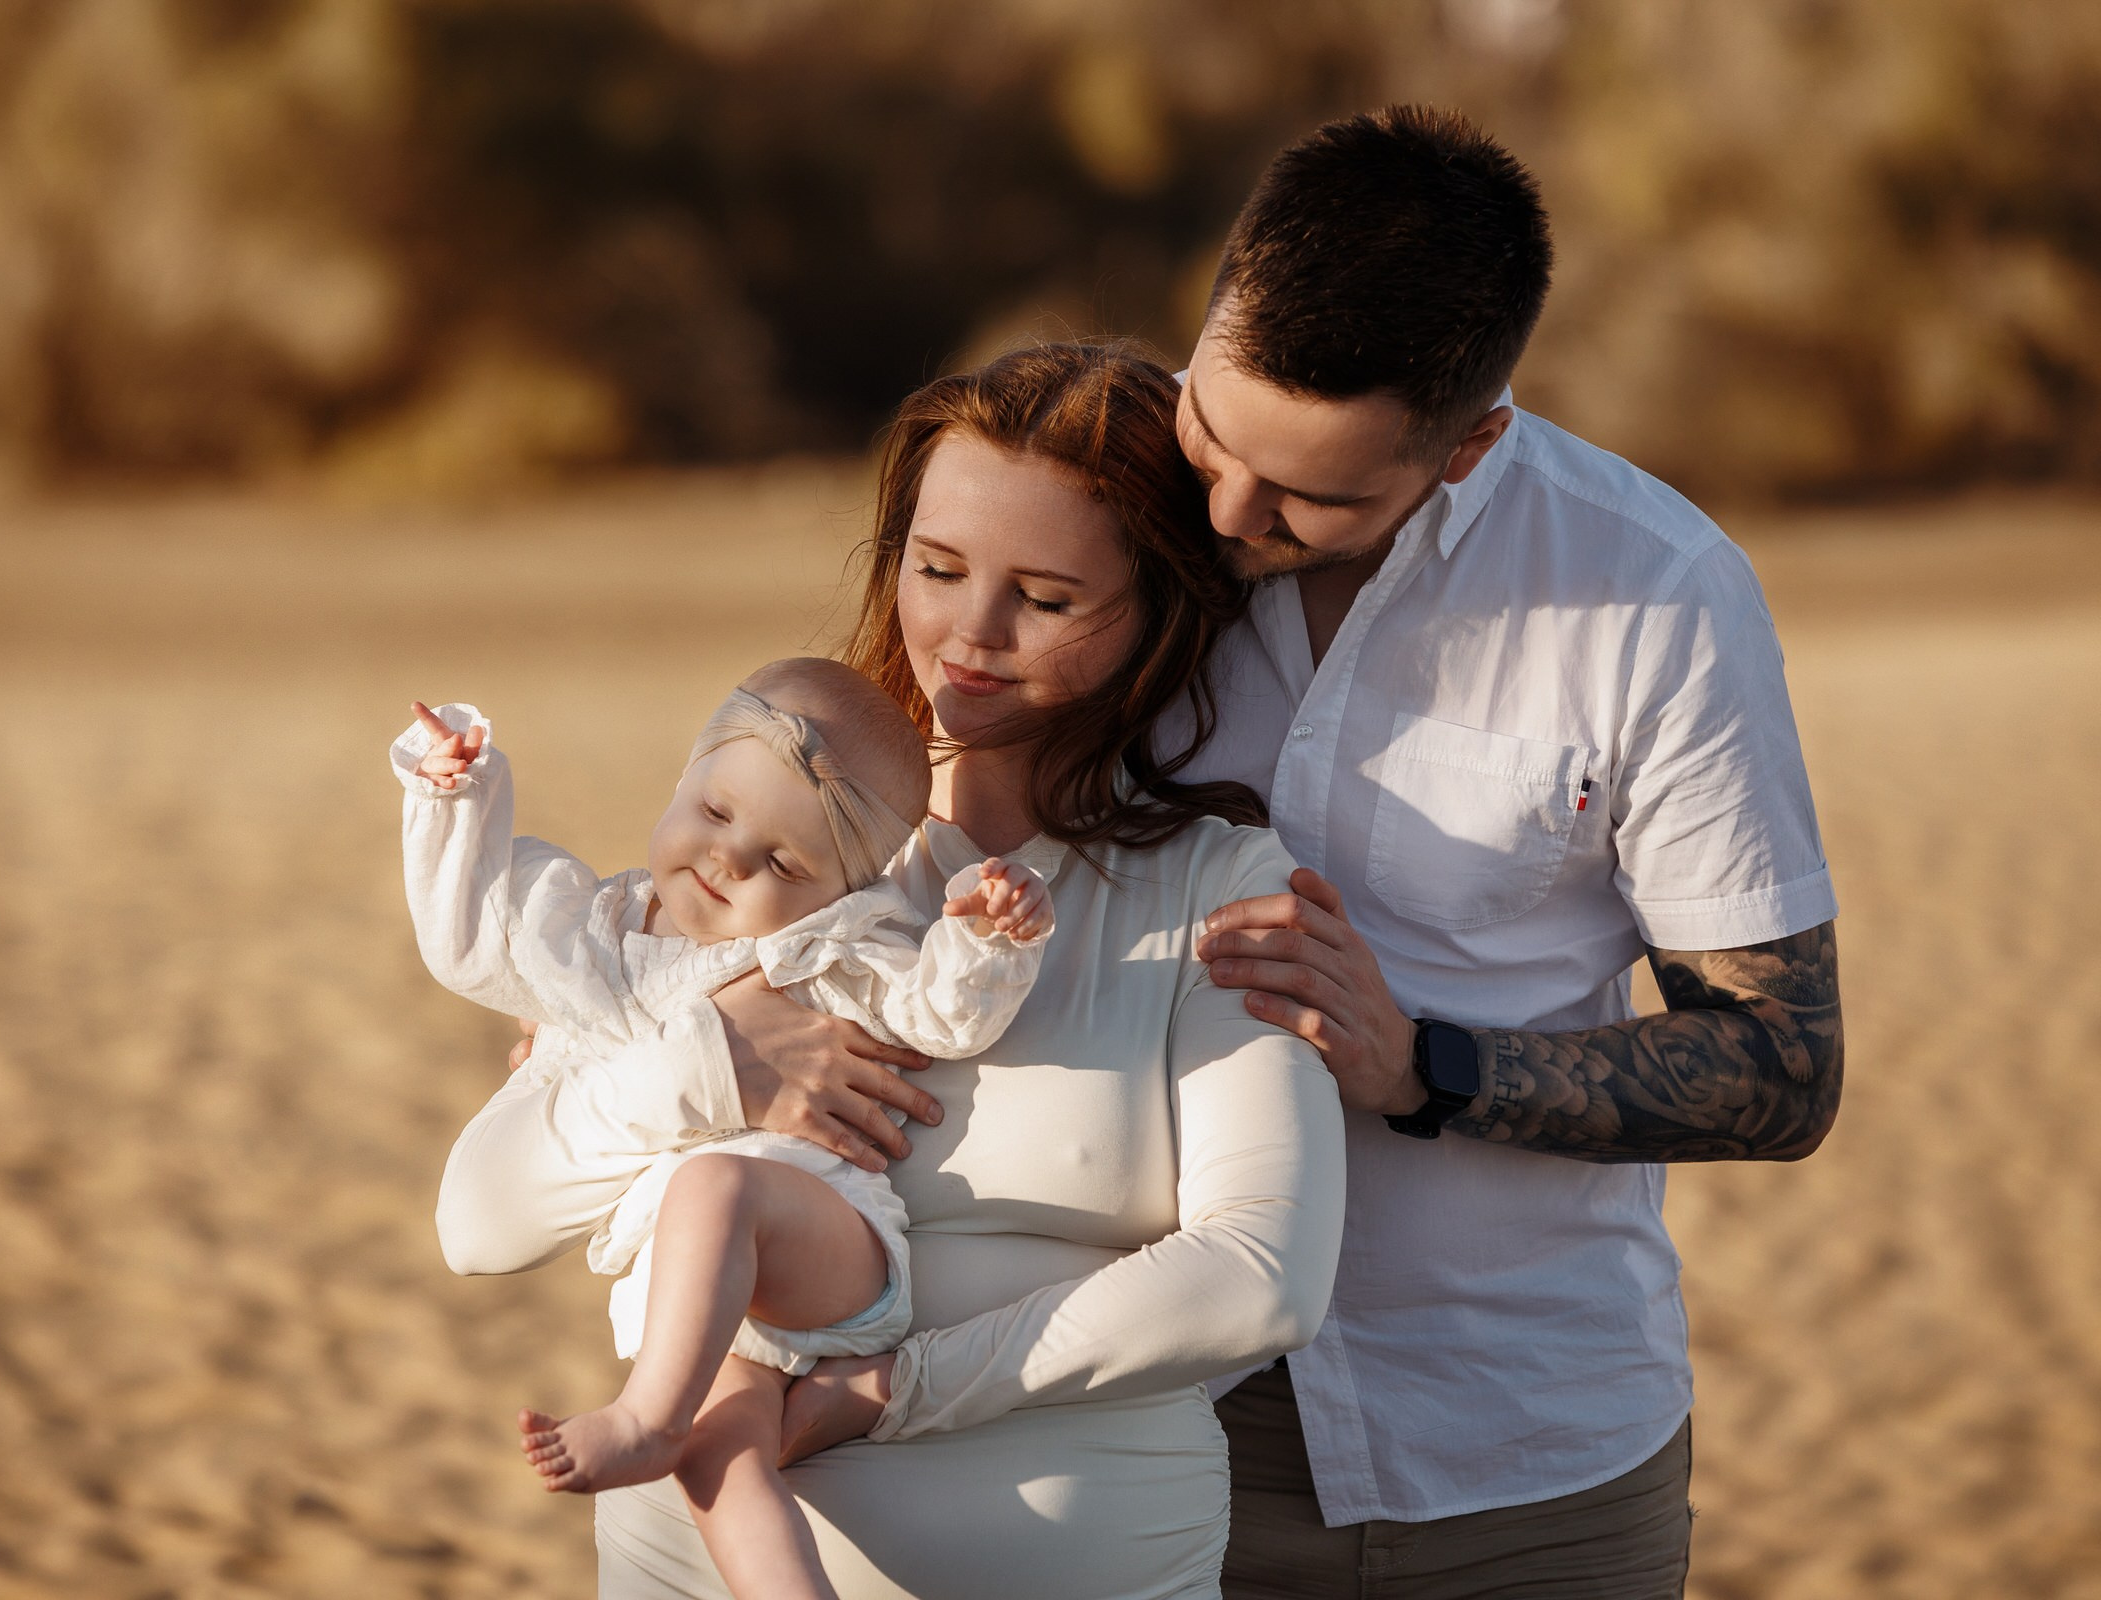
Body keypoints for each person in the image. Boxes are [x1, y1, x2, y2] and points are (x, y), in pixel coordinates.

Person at [431, 341, 1348, 1598]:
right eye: (939, 568)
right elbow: (480, 1222)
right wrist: (711, 1064)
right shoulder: (765, 840)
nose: (970, 633)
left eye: (1045, 595)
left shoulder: (1216, 887)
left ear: (1156, 615)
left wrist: (880, 1394)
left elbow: (1262, 1279)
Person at [1164, 107, 1845, 1596]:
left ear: (1472, 440)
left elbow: (1783, 1068)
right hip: (1134, 1436)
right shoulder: (1088, 507)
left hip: (1526, 1469)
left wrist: (1426, 1065)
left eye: (1313, 496)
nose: (1224, 512)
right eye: (1213, 432)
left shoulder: (1654, 595)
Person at [393, 657, 1054, 1598]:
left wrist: (984, 939)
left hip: (817, 1243)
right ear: (683, 781)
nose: (729, 859)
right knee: (723, 1461)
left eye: (783, 864)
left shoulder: (829, 948)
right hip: (705, 1306)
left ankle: (647, 1418)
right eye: (713, 814)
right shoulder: (601, 930)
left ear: (842, 890)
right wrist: (453, 793)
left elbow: (945, 1014)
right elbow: (471, 940)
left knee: (714, 1186)